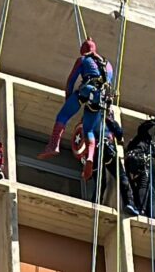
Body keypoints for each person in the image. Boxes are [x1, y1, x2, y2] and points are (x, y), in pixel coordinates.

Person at [38, 38, 115, 182]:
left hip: (86, 91)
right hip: (101, 99)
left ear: (83, 50)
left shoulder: (82, 60)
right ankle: (90, 156)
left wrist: (68, 99)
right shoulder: (108, 64)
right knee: (90, 131)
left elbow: (71, 81)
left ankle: (54, 145)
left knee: (63, 116)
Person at [74, 109, 140, 216]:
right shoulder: (105, 118)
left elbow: (81, 143)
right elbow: (119, 132)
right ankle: (129, 203)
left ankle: (96, 203)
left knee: (100, 183)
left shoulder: (85, 122)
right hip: (107, 151)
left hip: (93, 156)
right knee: (122, 177)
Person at [124, 112, 155, 217]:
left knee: (146, 190)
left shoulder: (148, 152)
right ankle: (142, 210)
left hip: (133, 163)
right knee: (144, 184)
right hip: (136, 161)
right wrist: (153, 122)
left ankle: (141, 209)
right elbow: (142, 128)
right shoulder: (144, 138)